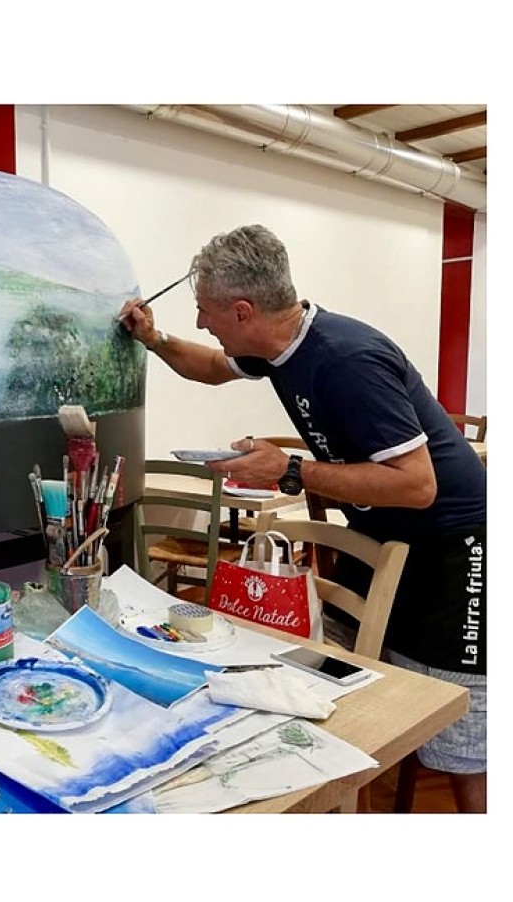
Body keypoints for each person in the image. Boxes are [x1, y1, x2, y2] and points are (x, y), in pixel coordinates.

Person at [120, 224, 487, 812]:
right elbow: (209, 365)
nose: (202, 323)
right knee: (349, 676)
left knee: (462, 738)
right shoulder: (275, 347)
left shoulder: (347, 360)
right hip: (378, 531)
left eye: (206, 309)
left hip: (453, 542)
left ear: (243, 310)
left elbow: (419, 487)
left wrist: (290, 469)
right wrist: (153, 338)